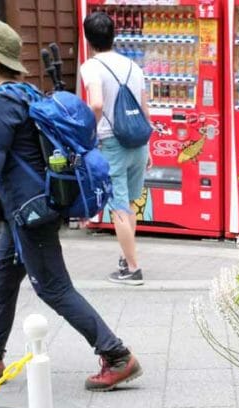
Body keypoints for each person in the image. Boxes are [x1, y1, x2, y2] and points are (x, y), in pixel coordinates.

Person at [0, 20, 142, 391]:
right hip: (31, 206)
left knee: (53, 287)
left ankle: (117, 355)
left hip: (29, 211)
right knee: (1, 277)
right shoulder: (24, 93)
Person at [79, 10, 150, 286]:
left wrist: (89, 130)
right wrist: (149, 146)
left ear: (88, 39)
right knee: (129, 204)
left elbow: (96, 103)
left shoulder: (91, 66)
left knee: (118, 207)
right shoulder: (133, 66)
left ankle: (133, 268)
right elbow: (145, 109)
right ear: (114, 36)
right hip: (138, 141)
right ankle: (126, 257)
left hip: (112, 143)